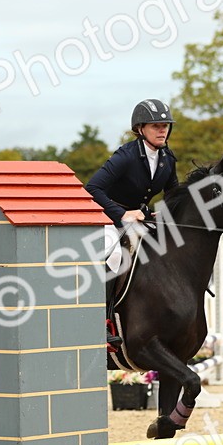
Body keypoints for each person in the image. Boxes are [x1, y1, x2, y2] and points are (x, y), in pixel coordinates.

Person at [85, 98, 180, 348]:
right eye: (156, 126)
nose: (162, 130)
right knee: (115, 255)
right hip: (108, 218)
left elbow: (173, 195)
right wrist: (122, 214)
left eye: (165, 125)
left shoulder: (167, 158)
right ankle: (101, 322)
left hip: (139, 220)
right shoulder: (125, 156)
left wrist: (163, 213)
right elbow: (92, 188)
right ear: (140, 129)